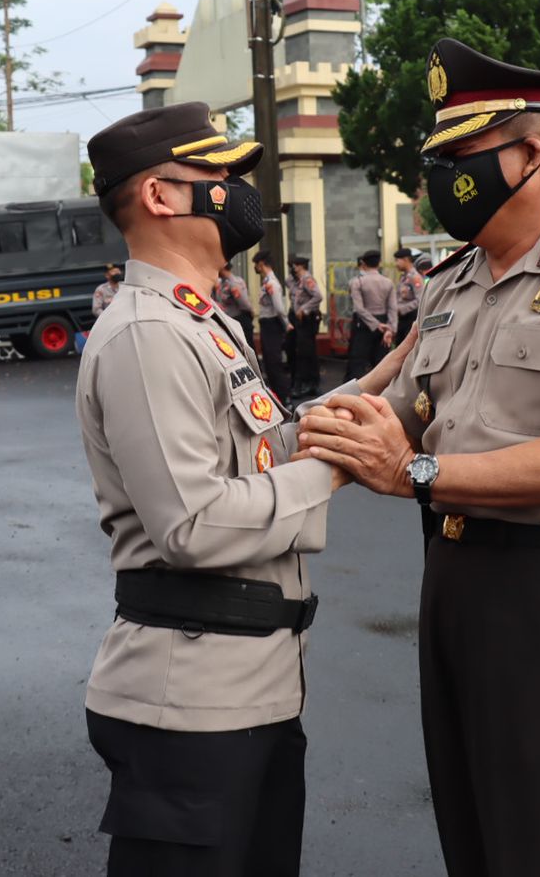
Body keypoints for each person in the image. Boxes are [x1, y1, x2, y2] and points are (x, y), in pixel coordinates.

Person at [297, 38, 540, 876]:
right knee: (475, 840)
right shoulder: (449, 282)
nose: (437, 177)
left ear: (529, 154)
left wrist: (416, 475)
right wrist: (325, 419)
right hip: (457, 580)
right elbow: (390, 419)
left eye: (456, 156)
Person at [78, 101, 360, 875]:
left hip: (253, 689)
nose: (237, 187)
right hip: (190, 705)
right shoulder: (149, 334)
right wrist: (338, 465)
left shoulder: (202, 320)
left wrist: (376, 394)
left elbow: (264, 451)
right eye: (217, 172)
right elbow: (194, 524)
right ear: (159, 197)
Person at [345, 250, 397, 380]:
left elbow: (359, 308)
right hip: (384, 322)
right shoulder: (388, 282)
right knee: (381, 362)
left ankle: (357, 394)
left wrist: (375, 324)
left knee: (358, 362)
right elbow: (392, 308)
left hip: (363, 324)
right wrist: (390, 329)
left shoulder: (356, 282)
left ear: (363, 263)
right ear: (379, 263)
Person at [253, 251, 294, 400]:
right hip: (267, 325)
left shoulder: (271, 283)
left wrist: (287, 324)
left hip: (272, 325)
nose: (255, 268)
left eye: (256, 265)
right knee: (270, 363)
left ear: (261, 264)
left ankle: (284, 397)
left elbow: (279, 308)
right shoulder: (266, 282)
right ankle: (277, 396)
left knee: (274, 363)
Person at [288, 255, 324, 399]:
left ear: (300, 266)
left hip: (308, 319)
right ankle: (308, 383)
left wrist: (304, 309)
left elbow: (318, 296)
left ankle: (309, 384)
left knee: (306, 352)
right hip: (299, 319)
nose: (292, 268)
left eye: (294, 265)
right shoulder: (297, 281)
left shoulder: (307, 279)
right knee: (302, 351)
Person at [213, 262, 255, 345]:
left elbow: (244, 303)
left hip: (240, 320)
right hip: (229, 321)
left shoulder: (234, 283)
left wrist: (251, 312)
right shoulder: (222, 283)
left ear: (223, 267)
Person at [394, 248, 425, 341]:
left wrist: (402, 309)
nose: (396, 264)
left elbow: (420, 299)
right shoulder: (404, 277)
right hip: (402, 319)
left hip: (411, 318)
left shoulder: (415, 277)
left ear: (405, 260)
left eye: (397, 260)